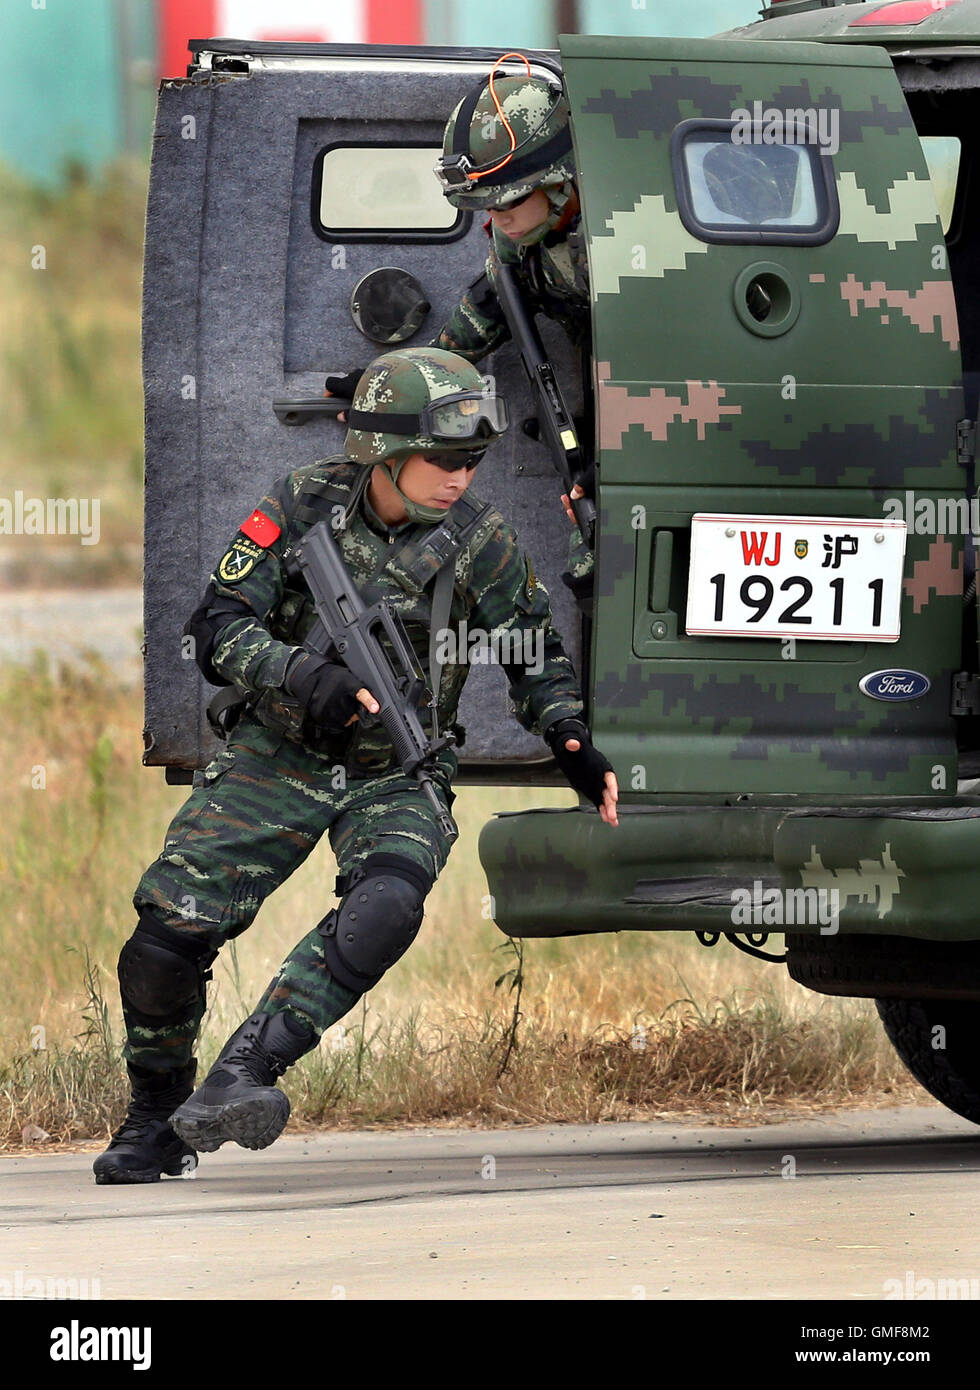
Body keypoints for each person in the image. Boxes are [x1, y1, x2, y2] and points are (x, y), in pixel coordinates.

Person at [93, 346, 617, 1185]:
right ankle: (155, 1116)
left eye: (473, 459)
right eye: (443, 458)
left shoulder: (480, 542)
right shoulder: (303, 504)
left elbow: (535, 653)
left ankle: (243, 1074)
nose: (460, 476)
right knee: (162, 944)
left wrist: (569, 739)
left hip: (399, 771)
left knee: (385, 906)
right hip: (281, 749)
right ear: (381, 451)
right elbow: (215, 626)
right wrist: (301, 672)